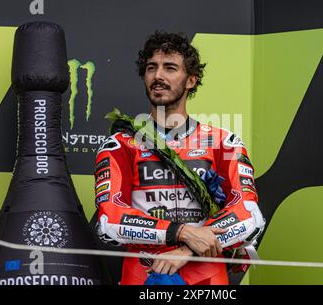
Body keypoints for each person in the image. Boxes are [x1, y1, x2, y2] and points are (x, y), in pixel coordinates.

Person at [95, 31, 265, 285]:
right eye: (151, 68)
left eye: (170, 68)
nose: (158, 76)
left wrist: (189, 249)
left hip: (206, 278)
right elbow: (109, 220)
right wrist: (181, 232)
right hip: (144, 275)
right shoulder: (120, 145)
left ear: (191, 80)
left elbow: (250, 215)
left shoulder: (223, 143)